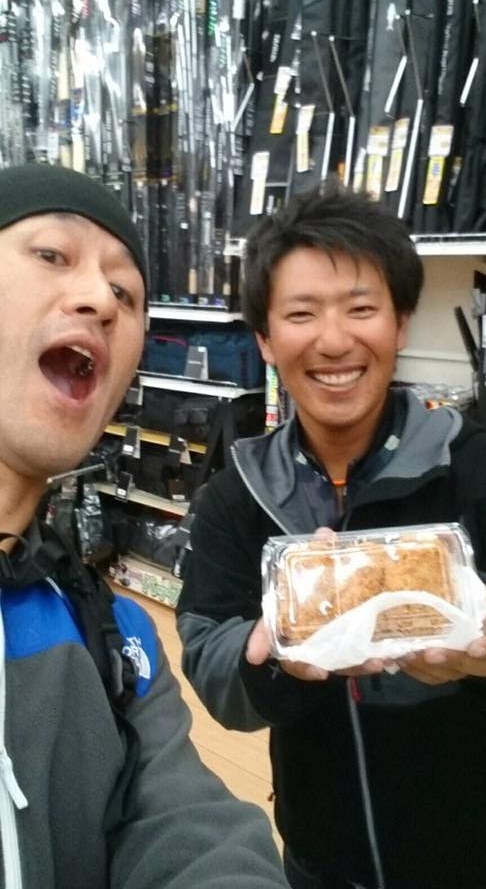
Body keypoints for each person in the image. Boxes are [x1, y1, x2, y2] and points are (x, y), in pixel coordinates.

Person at [177, 182, 486, 889]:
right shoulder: (235, 498)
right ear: (265, 339)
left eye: (361, 308)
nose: (335, 340)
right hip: (319, 861)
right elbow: (209, 661)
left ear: (400, 322)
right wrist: (272, 656)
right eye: (301, 313)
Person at [0, 163, 291, 889]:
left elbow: (191, 832)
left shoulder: (113, 640)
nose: (101, 298)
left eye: (127, 293)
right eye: (51, 254)